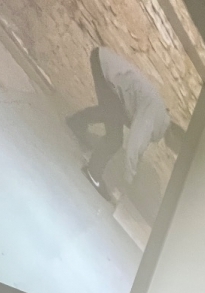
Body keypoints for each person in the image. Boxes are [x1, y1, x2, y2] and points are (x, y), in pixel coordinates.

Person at [66, 46, 181, 201]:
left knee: (111, 113)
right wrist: (129, 180)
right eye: (175, 147)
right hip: (105, 67)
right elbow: (134, 143)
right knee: (115, 138)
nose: (172, 149)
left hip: (104, 63)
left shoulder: (159, 118)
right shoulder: (155, 116)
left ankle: (76, 122)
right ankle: (92, 173)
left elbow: (140, 143)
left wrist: (134, 170)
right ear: (174, 135)